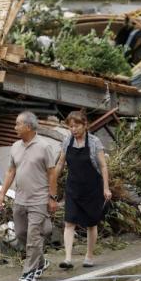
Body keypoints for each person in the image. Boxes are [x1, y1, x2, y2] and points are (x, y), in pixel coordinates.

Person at [0, 111, 58, 281]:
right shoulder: (15, 146)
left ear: (28, 126)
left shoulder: (44, 147)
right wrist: (2, 193)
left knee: (33, 236)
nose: (15, 127)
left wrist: (52, 197)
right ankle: (41, 261)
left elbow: (52, 174)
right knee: (22, 232)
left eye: (17, 124)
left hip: (39, 198)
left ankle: (29, 272)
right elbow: (10, 172)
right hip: (20, 199)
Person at [55, 110, 111, 269]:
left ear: (85, 125)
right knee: (69, 222)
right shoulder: (67, 142)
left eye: (77, 126)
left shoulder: (94, 142)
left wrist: (106, 188)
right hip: (73, 188)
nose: (74, 129)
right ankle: (67, 259)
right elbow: (60, 164)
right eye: (71, 126)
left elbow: (103, 166)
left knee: (91, 224)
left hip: (92, 188)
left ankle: (89, 256)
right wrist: (51, 181)